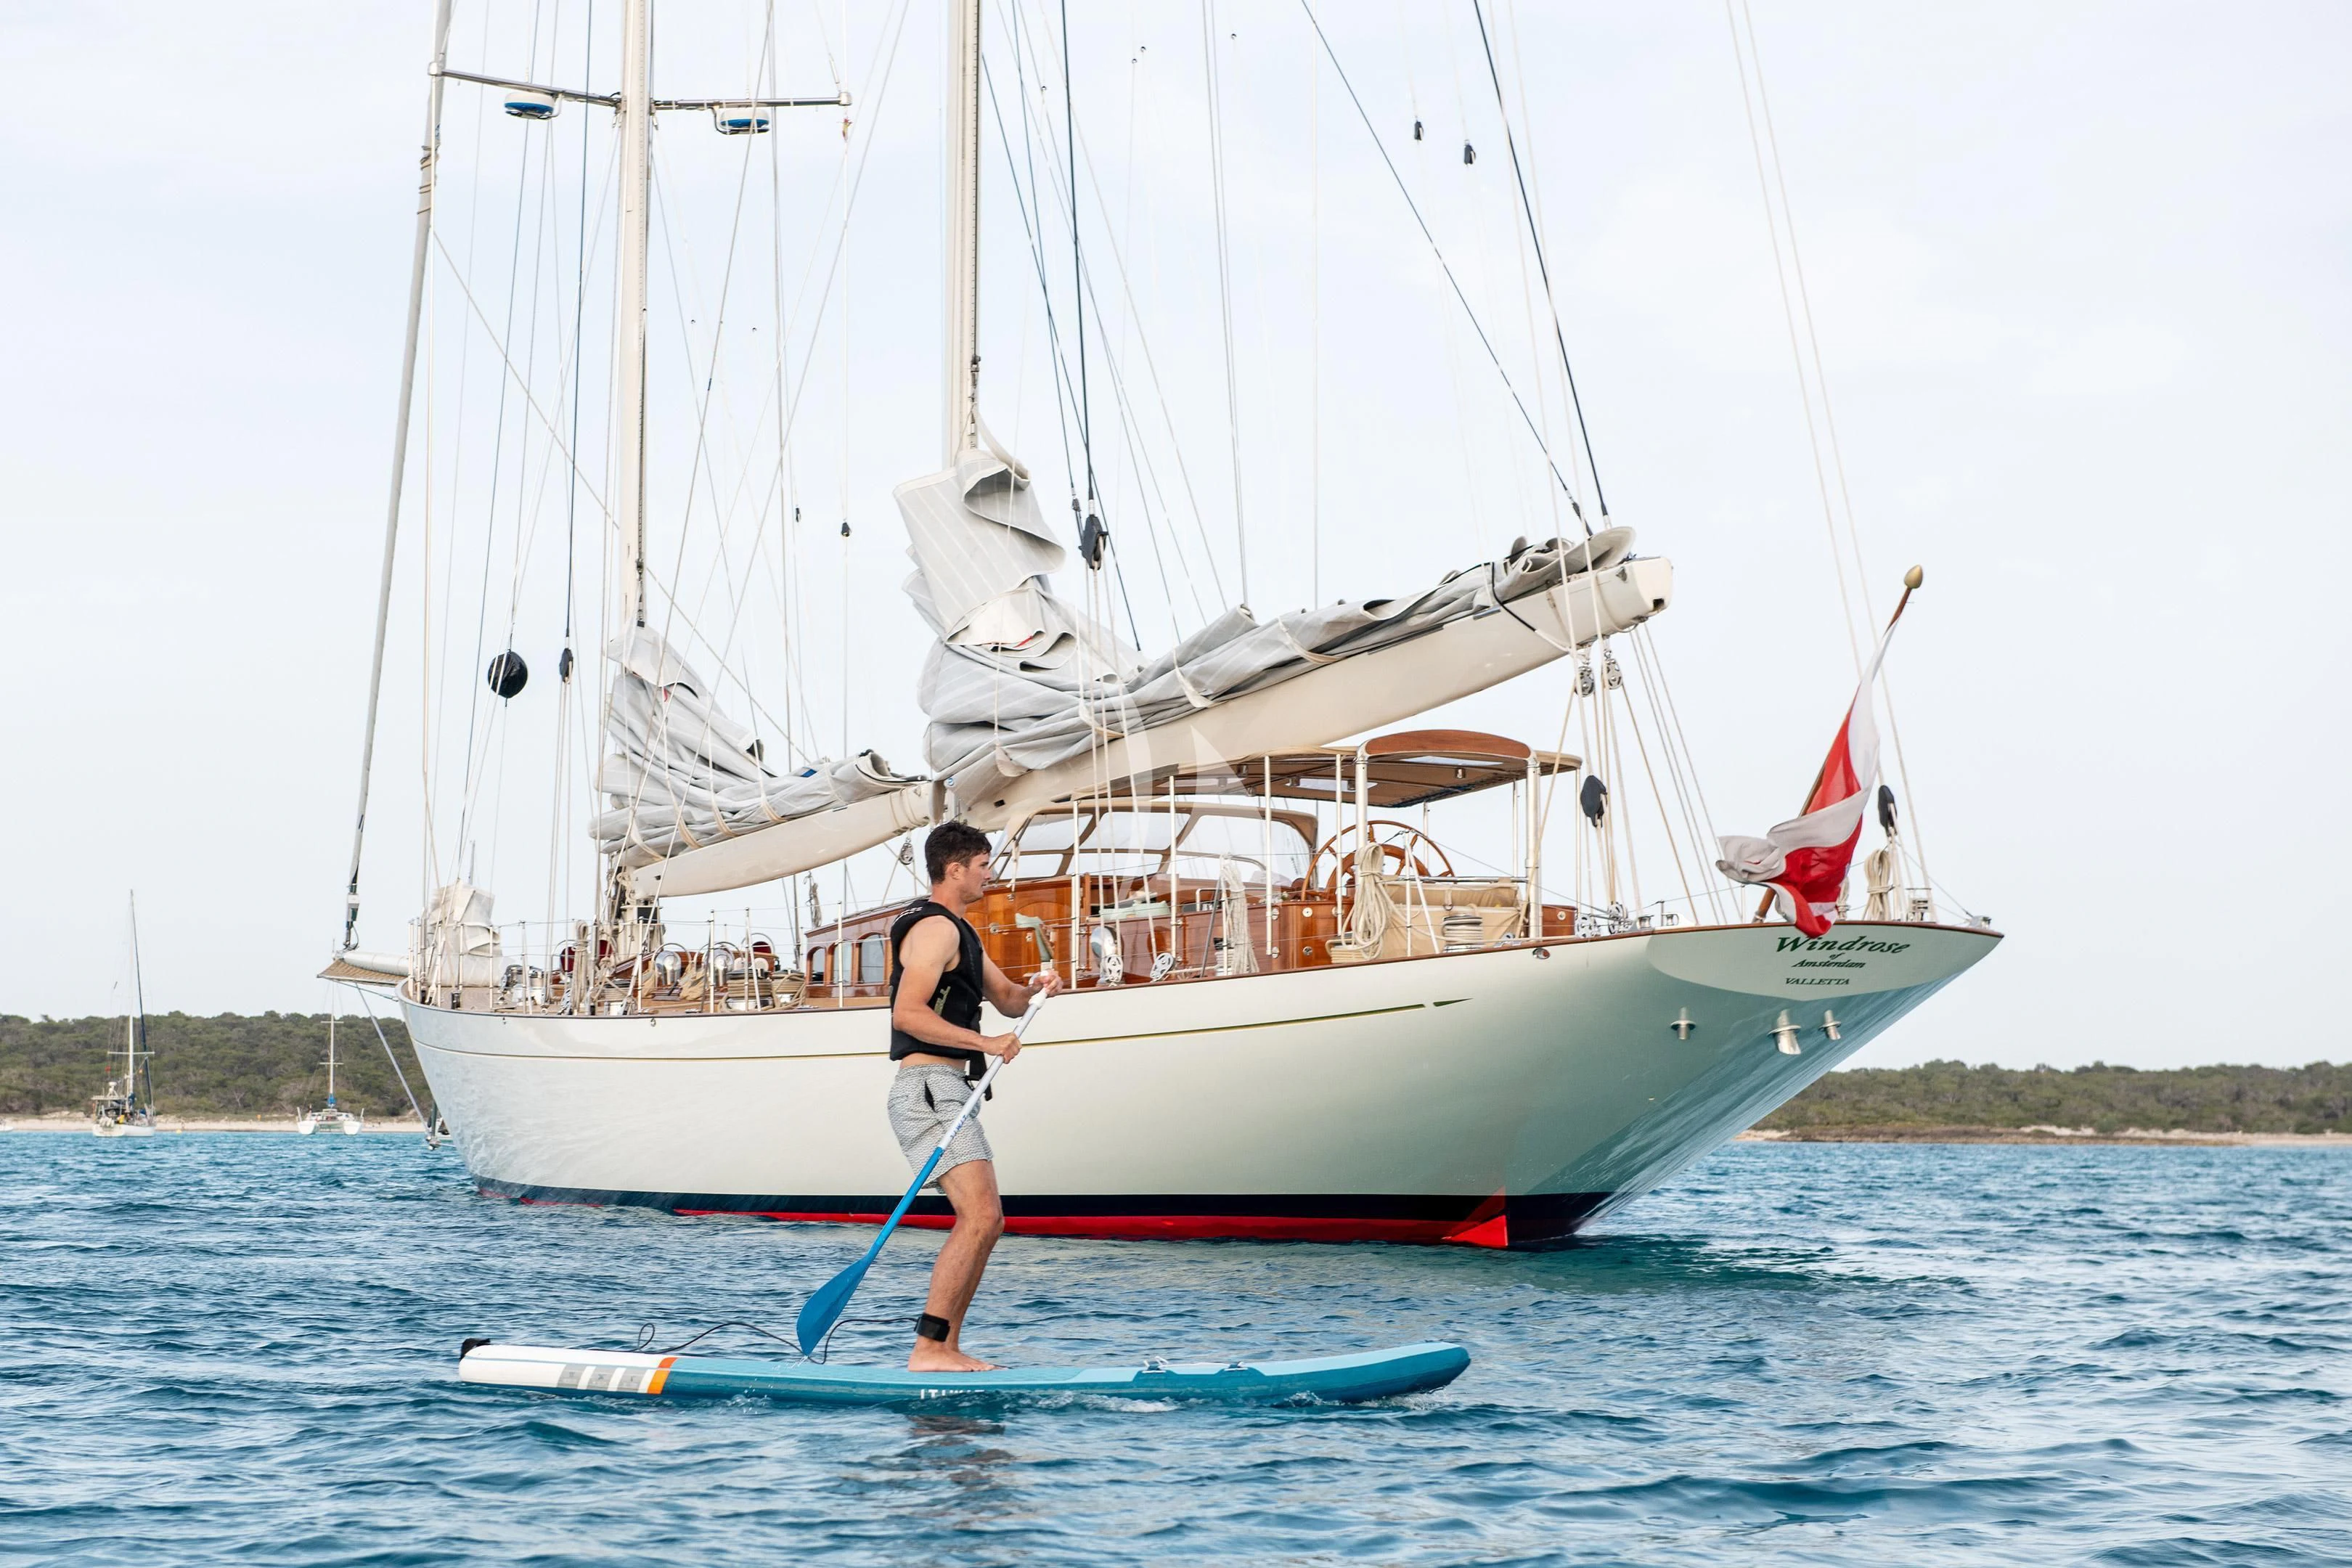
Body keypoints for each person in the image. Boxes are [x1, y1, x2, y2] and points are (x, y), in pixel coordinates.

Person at [886, 820, 1062, 1372]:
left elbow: (1007, 999)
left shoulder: (961, 931)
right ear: (955, 868)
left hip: (948, 1090)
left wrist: (1036, 989)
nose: (991, 875)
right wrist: (985, 1042)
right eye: (984, 866)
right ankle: (931, 1350)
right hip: (928, 1089)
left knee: (987, 1220)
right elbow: (907, 1014)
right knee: (982, 1217)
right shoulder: (934, 929)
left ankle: (942, 1347)